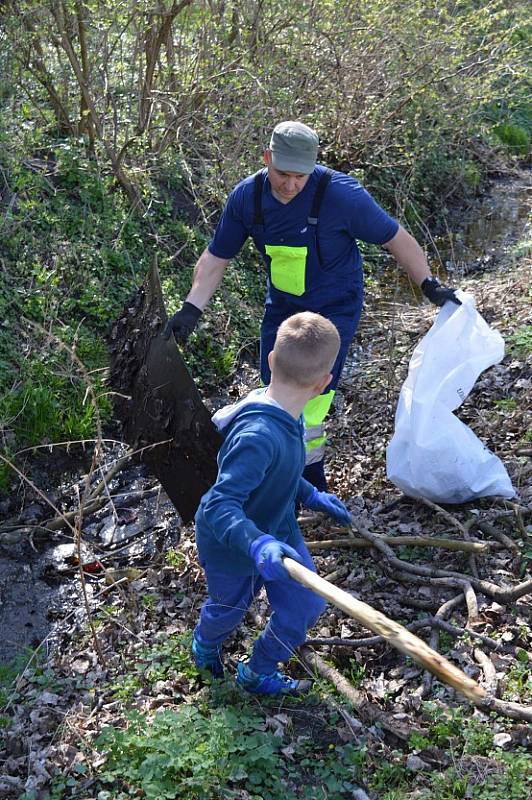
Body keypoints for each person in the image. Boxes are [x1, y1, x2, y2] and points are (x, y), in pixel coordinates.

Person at [165, 121, 461, 492]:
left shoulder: (341, 196)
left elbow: (395, 238)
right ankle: (280, 470)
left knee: (309, 394)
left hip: (335, 305)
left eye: (300, 177)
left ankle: (307, 482)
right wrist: (191, 309)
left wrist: (427, 284)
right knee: (274, 386)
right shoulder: (248, 198)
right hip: (283, 304)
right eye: (282, 174)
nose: (290, 185)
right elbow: (216, 257)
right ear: (267, 158)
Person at [192, 312, 352, 695]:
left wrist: (307, 493)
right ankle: (204, 644)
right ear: (323, 384)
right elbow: (218, 504)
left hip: (279, 530)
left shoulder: (289, 416)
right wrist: (256, 543)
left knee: (305, 606)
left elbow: (279, 469)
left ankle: (258, 670)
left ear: (270, 360)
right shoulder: (257, 435)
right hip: (231, 548)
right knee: (229, 609)